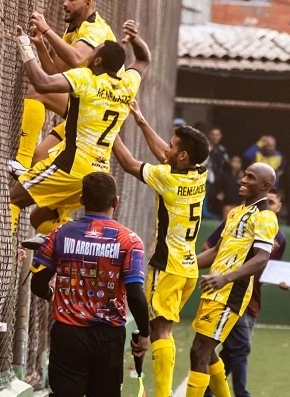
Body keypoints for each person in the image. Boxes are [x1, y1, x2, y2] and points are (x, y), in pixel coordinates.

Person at [9, 19, 150, 236]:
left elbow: (43, 84)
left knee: (14, 199)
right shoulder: (128, 85)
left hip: (71, 166)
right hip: (98, 174)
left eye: (94, 52)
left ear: (98, 60)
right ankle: (55, 246)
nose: (90, 54)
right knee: (40, 217)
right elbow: (143, 59)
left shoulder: (87, 78)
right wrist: (135, 39)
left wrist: (24, 45)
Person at [112, 101, 210, 397]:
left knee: (160, 330)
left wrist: (109, 129)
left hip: (168, 266)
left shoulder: (167, 178)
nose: (166, 149)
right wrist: (141, 121)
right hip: (188, 267)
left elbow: (130, 164)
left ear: (182, 154)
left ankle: (163, 394)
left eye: (172, 145)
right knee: (160, 329)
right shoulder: (198, 173)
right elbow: (167, 157)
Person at [29, 172, 150, 397]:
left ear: (82, 200)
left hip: (67, 335)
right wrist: (144, 332)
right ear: (116, 201)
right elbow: (135, 293)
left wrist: (52, 294)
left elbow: (37, 284)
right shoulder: (129, 241)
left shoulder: (60, 234)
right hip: (108, 337)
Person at [185, 162, 279, 397]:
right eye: (244, 175)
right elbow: (216, 251)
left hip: (231, 293)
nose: (243, 180)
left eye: (250, 177)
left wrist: (226, 278)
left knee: (199, 351)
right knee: (209, 351)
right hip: (215, 289)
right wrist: (182, 265)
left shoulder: (266, 217)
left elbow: (262, 258)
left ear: (265, 186)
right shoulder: (236, 212)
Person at [8, 0, 117, 177]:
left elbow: (76, 58)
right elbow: (54, 72)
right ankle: (28, 170)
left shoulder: (95, 29)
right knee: (38, 159)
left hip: (95, 107)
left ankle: (21, 161)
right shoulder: (73, 30)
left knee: (37, 91)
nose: (64, 3)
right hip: (86, 114)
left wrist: (47, 30)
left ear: (88, 3)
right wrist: (40, 44)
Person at [203, 188, 286, 397]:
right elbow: (211, 246)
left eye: (273, 202)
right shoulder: (240, 218)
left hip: (253, 297)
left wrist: (280, 281)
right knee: (239, 346)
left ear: (279, 207)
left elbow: (269, 267)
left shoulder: (280, 237)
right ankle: (241, 393)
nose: (269, 205)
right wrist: (221, 272)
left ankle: (208, 391)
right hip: (231, 291)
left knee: (231, 351)